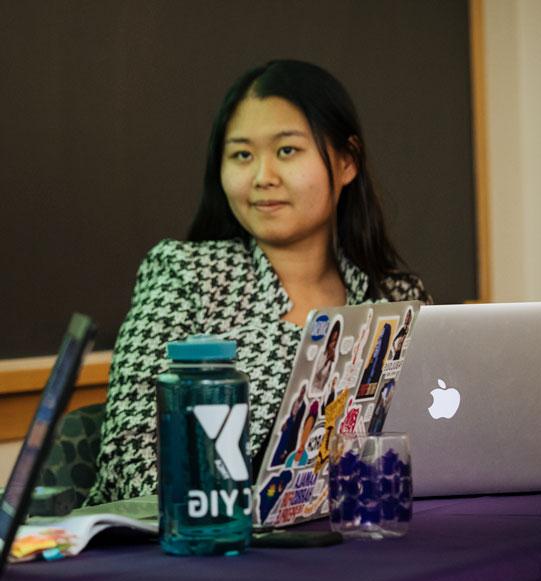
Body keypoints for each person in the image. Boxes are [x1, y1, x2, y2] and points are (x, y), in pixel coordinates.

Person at [86, 59, 432, 505]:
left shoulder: (398, 299)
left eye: (286, 151)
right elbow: (129, 457)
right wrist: (240, 513)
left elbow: (430, 448)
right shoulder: (186, 275)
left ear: (347, 161)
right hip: (198, 551)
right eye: (242, 155)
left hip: (360, 539)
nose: (262, 177)